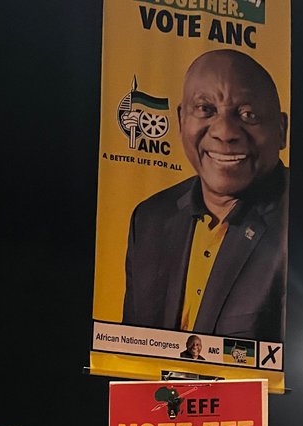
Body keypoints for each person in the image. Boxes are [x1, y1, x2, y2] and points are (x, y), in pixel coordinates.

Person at [122, 48, 288, 343]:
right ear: (181, 120)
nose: (225, 132)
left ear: (280, 130)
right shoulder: (149, 219)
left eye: (248, 114)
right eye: (205, 110)